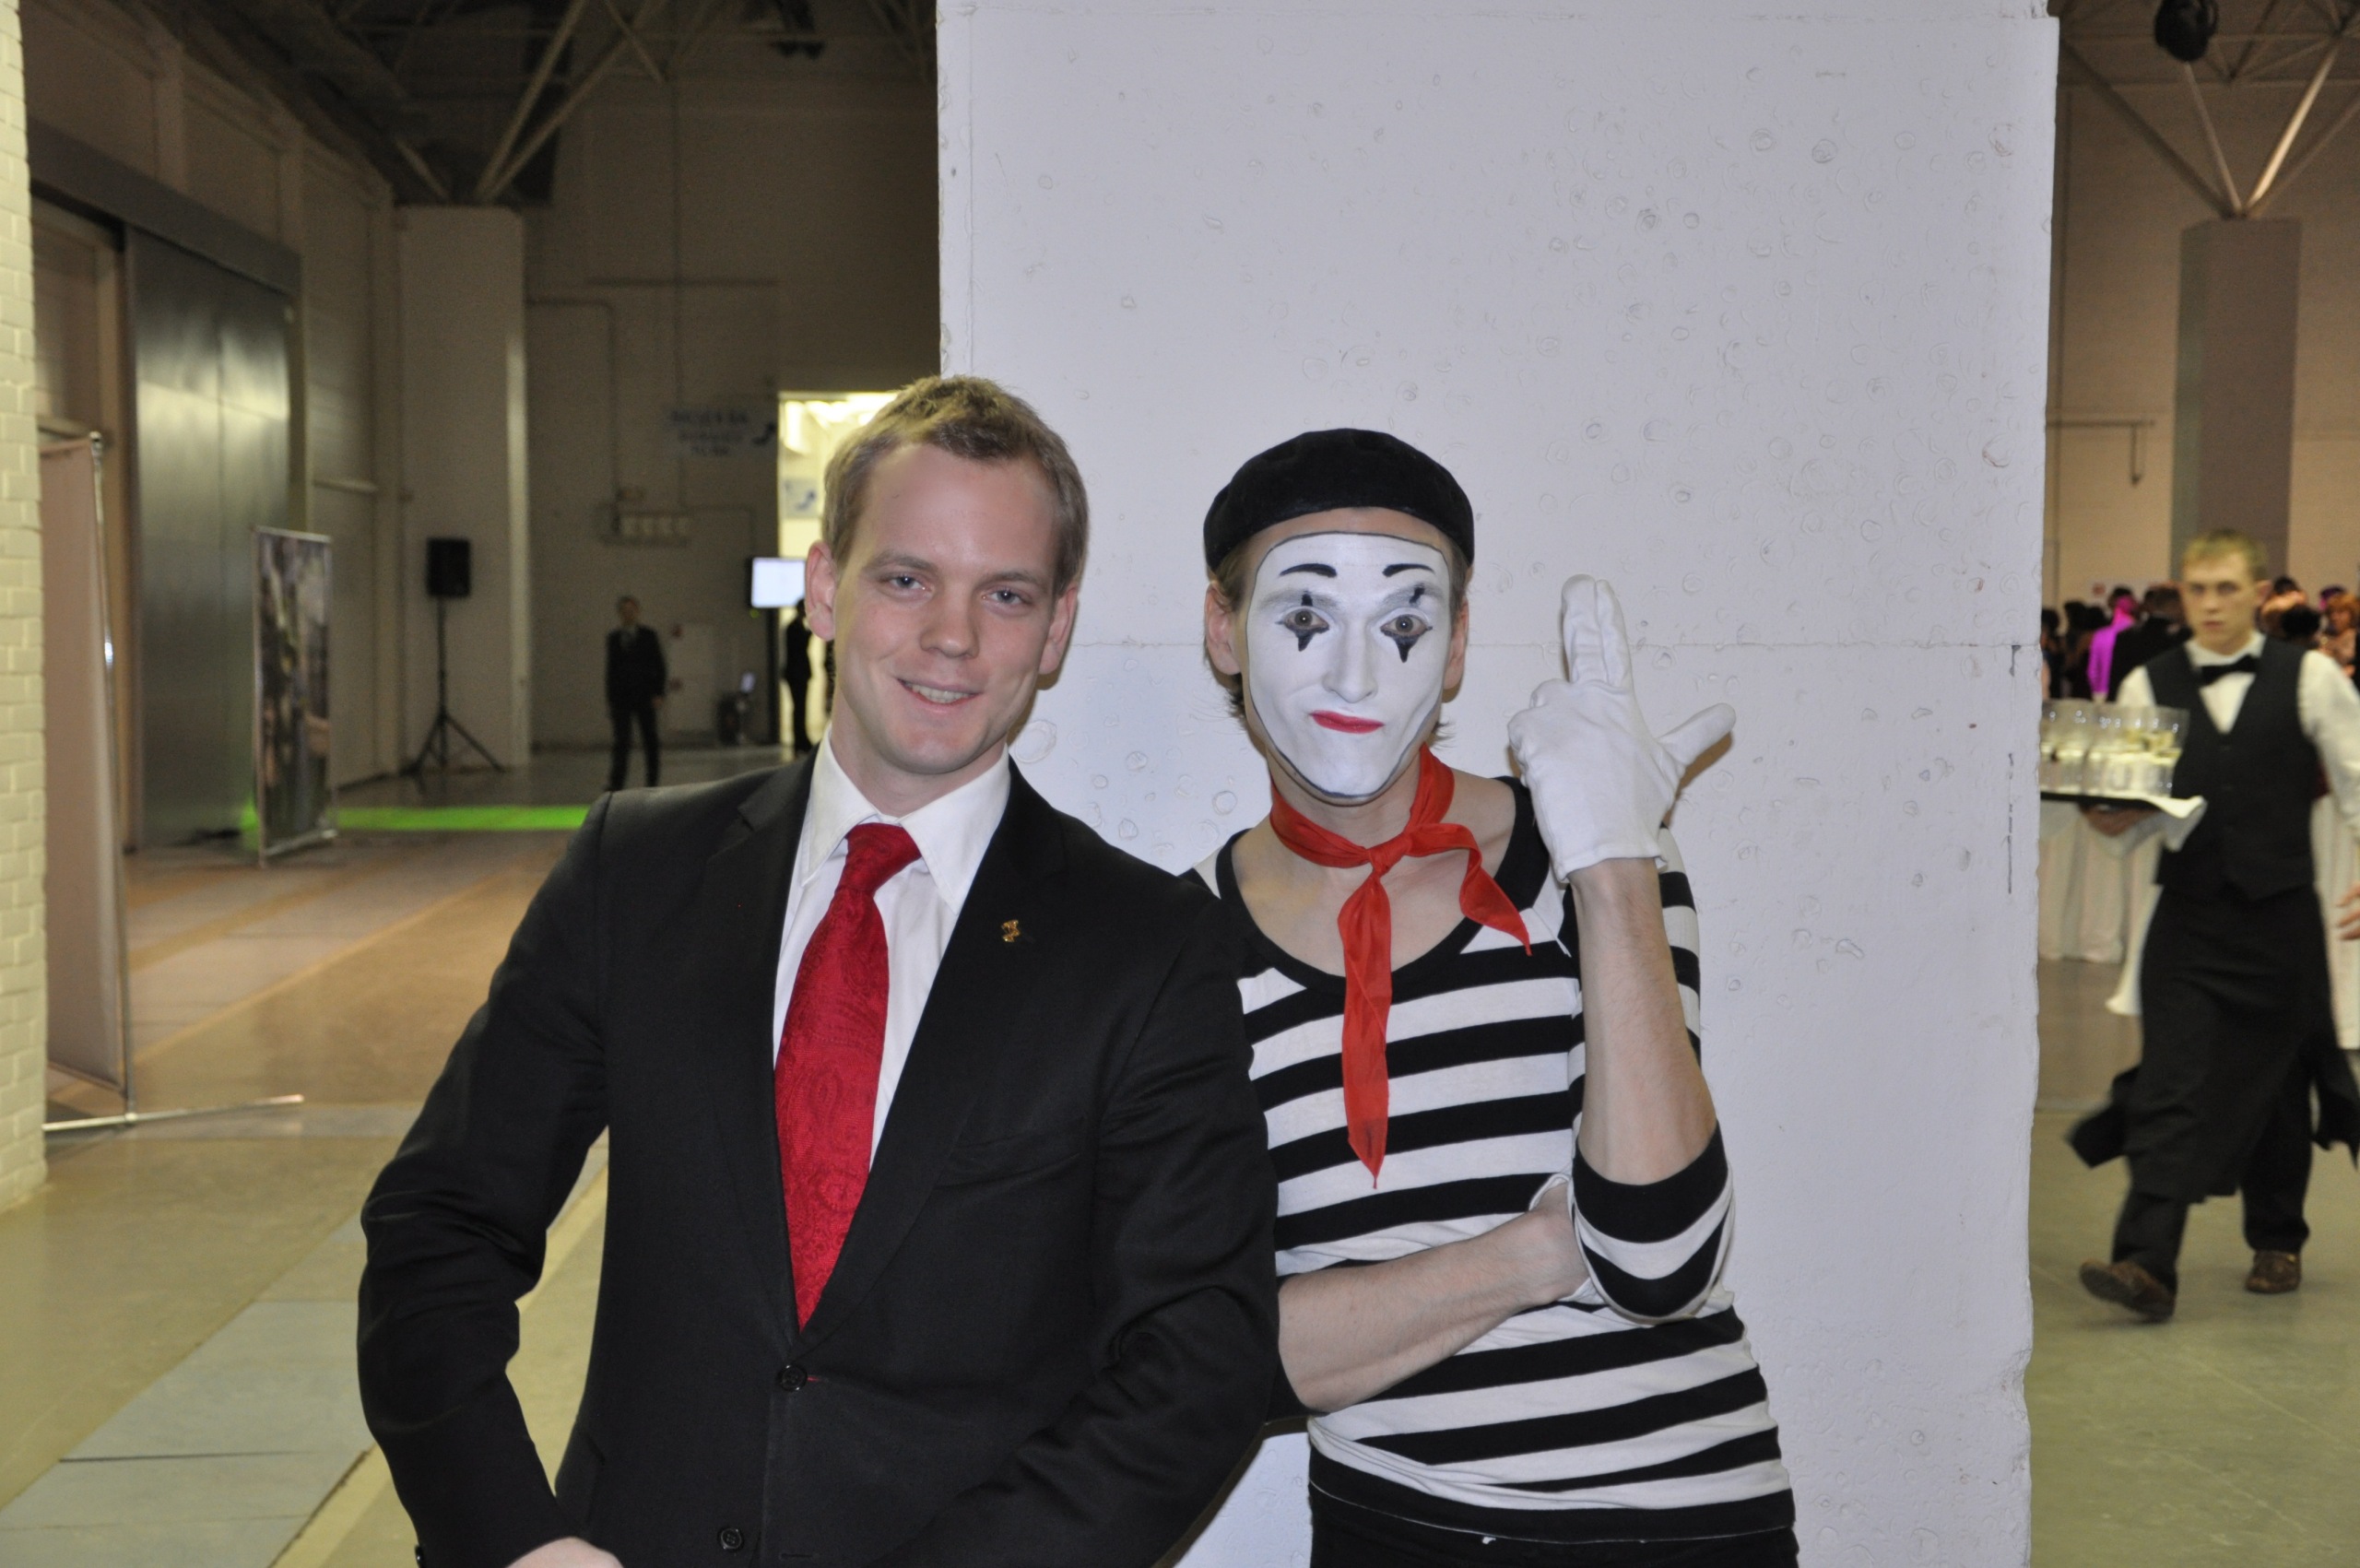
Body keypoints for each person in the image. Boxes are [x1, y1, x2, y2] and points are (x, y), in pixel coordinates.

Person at [358, 376, 1278, 1568]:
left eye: (1005, 594)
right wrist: (512, 1540)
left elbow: (1197, 1356)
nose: (953, 636)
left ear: (1056, 630)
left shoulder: (1145, 949)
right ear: (826, 587)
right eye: (906, 579)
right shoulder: (635, 875)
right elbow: (439, 1226)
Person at [1195, 430, 1795, 1566]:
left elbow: (1660, 1260)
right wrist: (1534, 1253)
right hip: (1392, 1529)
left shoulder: (1584, 853)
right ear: (1222, 631)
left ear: (1459, 643)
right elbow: (1226, 1360)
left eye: (1406, 623)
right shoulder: (1179, 948)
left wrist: (1612, 861)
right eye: (1305, 615)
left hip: (1690, 1523)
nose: (1356, 675)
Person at [2073, 530, 2360, 1322]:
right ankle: (2146, 1264)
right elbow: (2130, 808)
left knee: (2280, 1086)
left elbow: (2358, 776)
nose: (2210, 603)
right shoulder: (2149, 682)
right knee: (2170, 1084)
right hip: (2189, 919)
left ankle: (2278, 1237)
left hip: (2282, 916)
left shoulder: (2311, 677)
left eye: (2226, 588)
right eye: (2196, 588)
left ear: (2259, 594)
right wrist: (2106, 813)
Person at [605, 596, 667, 791]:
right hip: (621, 699)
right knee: (621, 742)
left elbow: (659, 666)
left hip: (645, 695)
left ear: (637, 612)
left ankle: (652, 782)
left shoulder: (649, 636)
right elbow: (611, 671)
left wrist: (659, 693)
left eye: (631, 611)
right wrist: (611, 699)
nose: (628, 614)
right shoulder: (614, 638)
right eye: (624, 611)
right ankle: (616, 783)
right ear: (620, 614)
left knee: (650, 740)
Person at [2104, 584, 2188, 700]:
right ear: (2175, 605)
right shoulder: (2179, 637)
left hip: (2129, 699)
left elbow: (2115, 676)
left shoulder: (2126, 635)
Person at [783, 596, 816, 755]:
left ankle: (801, 740)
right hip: (797, 674)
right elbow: (799, 649)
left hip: (798, 673)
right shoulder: (793, 628)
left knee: (800, 708)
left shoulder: (795, 627)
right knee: (799, 708)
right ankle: (800, 740)